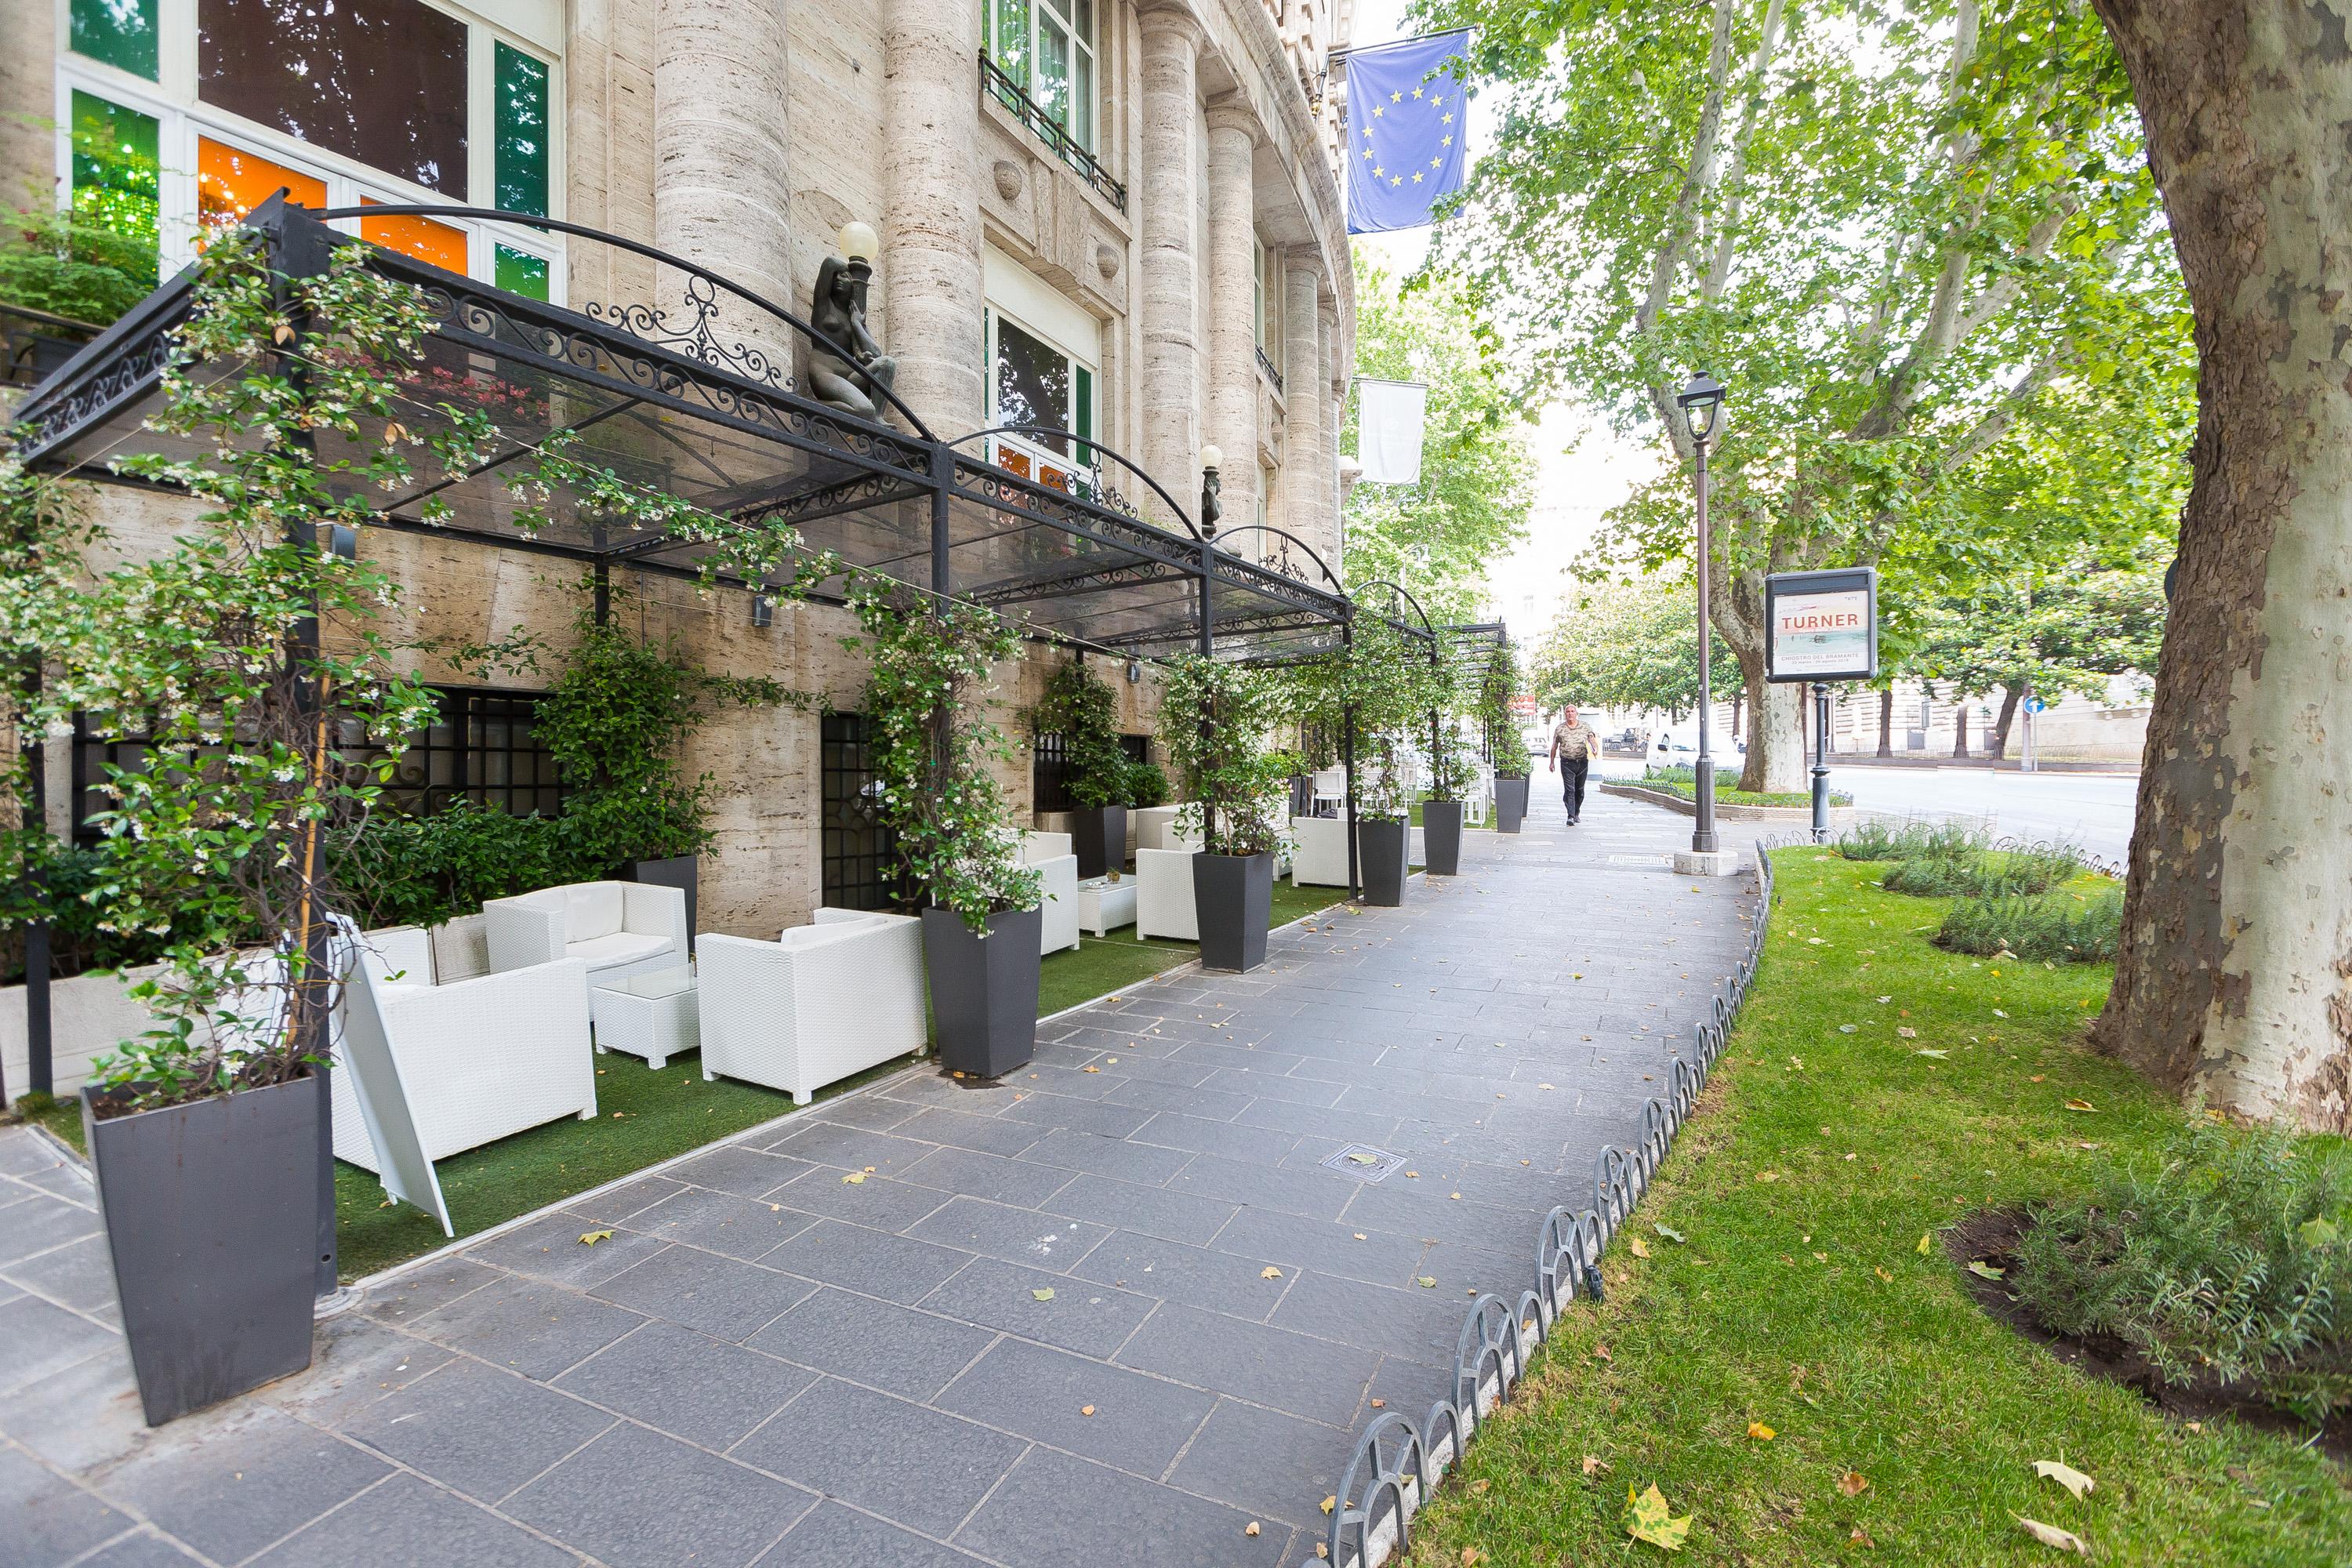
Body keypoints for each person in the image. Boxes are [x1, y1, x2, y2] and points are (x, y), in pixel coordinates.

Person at [1548, 705, 1602, 824]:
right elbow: (1554, 746)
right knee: (1569, 790)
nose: (1570, 714)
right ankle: (1570, 816)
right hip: (1567, 762)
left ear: (1576, 713)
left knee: (1579, 790)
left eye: (1572, 711)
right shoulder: (1560, 729)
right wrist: (1551, 762)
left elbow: (1592, 740)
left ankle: (1576, 811)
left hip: (1582, 762)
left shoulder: (1585, 727)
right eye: (1568, 712)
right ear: (1565, 714)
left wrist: (1595, 749)